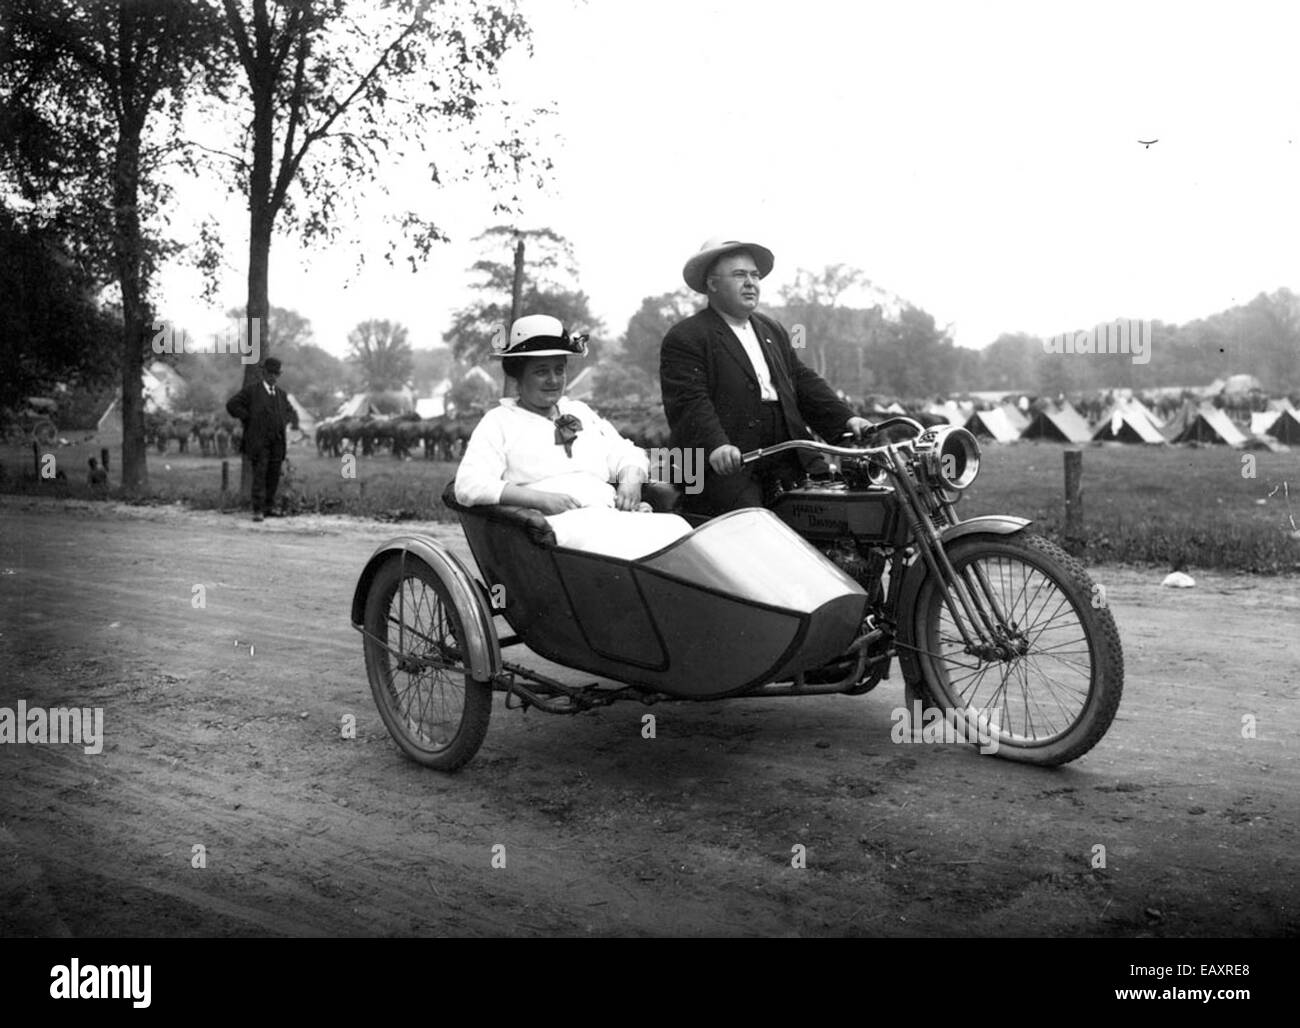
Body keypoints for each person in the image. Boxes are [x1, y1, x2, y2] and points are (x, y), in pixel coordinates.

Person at [660, 237, 874, 515]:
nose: (751, 282)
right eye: (739, 275)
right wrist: (716, 446)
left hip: (787, 455)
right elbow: (690, 401)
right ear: (712, 284)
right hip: (729, 465)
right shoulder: (687, 336)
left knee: (837, 513)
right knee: (754, 535)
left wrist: (846, 418)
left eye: (755, 275)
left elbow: (801, 379)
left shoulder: (773, 329)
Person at [454, 314, 693, 560]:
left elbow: (625, 451)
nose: (554, 380)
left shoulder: (579, 412)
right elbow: (469, 485)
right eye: (541, 371)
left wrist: (631, 479)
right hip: (555, 528)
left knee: (678, 530)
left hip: (608, 515)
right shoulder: (500, 421)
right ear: (518, 375)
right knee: (621, 551)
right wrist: (540, 500)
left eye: (559, 369)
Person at [225, 357, 299, 522]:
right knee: (260, 474)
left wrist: (283, 421)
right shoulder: (251, 391)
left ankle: (268, 508)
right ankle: (257, 510)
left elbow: (290, 412)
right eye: (270, 373)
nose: (273, 377)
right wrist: (248, 418)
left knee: (273, 475)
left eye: (276, 374)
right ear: (263, 373)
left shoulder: (281, 394)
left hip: (277, 442)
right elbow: (231, 405)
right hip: (259, 442)